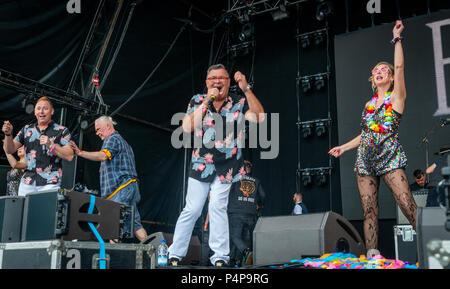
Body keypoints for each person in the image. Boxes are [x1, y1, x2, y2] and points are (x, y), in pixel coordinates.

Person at [328, 20, 417, 258]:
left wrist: (396, 38)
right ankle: (373, 254)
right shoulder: (368, 105)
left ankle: (430, 243)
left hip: (389, 155)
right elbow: (366, 134)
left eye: (383, 70)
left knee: (406, 203)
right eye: (376, 70)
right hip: (365, 159)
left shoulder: (396, 96)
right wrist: (344, 147)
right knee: (369, 210)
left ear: (390, 77)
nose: (379, 72)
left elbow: (399, 68)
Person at [168, 64, 265, 267]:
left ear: (228, 82)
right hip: (202, 164)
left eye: (222, 78)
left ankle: (220, 257)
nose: (217, 81)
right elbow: (187, 126)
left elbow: (260, 117)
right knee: (192, 209)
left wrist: (246, 88)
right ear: (207, 82)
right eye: (213, 78)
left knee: (217, 207)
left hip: (228, 166)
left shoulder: (238, 101)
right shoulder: (197, 100)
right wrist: (206, 103)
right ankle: (174, 254)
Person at [70, 115, 148, 242]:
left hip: (121, 189)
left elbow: (102, 156)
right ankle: (154, 254)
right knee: (135, 224)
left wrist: (80, 153)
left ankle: (113, 259)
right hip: (129, 187)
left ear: (107, 126)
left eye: (98, 129)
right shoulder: (125, 143)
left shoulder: (112, 139)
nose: (97, 133)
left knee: (113, 226)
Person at [2, 96, 74, 196]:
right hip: (27, 181)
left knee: (45, 211)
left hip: (50, 182)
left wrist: (51, 145)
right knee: (24, 211)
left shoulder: (61, 130)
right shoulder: (27, 129)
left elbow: (70, 156)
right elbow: (10, 150)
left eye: (45, 108)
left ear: (52, 111)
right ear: (35, 112)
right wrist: (8, 135)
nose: (41, 111)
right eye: (38, 108)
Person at [227, 160, 265, 267]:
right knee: (245, 238)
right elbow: (262, 195)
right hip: (251, 212)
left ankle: (246, 252)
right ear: (250, 169)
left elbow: (227, 192)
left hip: (236, 211)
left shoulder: (235, 179)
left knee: (235, 236)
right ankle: (239, 261)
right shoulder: (256, 181)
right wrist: (259, 205)